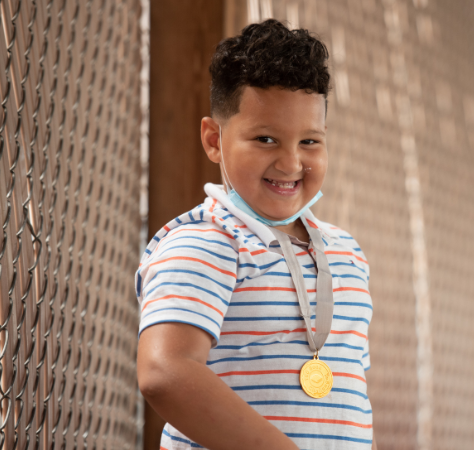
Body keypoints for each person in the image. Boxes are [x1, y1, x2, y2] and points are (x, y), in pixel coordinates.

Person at [136, 20, 375, 450]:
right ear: (214, 140)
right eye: (265, 139)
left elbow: (349, 395)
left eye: (309, 141)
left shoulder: (346, 253)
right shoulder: (205, 242)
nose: (290, 163)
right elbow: (164, 371)